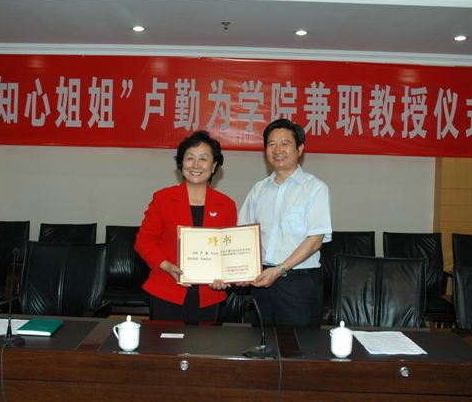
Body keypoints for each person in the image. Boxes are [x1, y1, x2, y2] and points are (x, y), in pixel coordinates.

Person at [135, 131, 237, 323]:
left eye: (203, 159)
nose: (195, 165)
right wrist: (167, 266)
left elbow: (229, 250)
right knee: (164, 341)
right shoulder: (163, 198)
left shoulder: (226, 204)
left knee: (204, 342)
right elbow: (144, 241)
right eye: (190, 158)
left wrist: (225, 275)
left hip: (209, 294)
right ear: (181, 163)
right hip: (167, 289)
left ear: (214, 166)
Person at [238, 118, 332, 327]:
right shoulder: (258, 190)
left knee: (298, 344)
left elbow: (315, 241)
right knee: (260, 341)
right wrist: (241, 269)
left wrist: (280, 269)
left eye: (285, 143)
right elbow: (243, 234)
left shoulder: (315, 188)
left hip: (298, 283)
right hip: (261, 280)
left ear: (300, 149)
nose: (277, 150)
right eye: (271, 144)